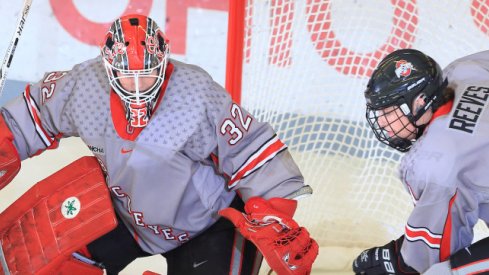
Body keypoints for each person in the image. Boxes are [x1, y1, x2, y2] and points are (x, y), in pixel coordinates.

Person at [0, 14, 318, 275]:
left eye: (147, 76)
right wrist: (4, 138)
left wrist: (275, 216)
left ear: (163, 64)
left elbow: (252, 151)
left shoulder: (195, 93)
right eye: (127, 77)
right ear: (108, 68)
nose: (137, 88)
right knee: (39, 263)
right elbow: (33, 115)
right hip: (127, 216)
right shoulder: (85, 86)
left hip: (208, 225)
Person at [352, 48, 489, 274]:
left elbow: (426, 260)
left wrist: (399, 261)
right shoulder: (466, 69)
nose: (383, 122)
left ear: (420, 102)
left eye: (388, 111)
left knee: (440, 272)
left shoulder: (433, 165)